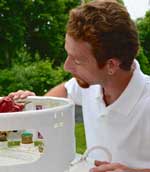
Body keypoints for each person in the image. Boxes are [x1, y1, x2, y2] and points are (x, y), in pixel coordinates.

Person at [9, 0, 150, 171]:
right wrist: (32, 108)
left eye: (77, 60)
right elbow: (60, 95)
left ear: (111, 65)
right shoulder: (89, 84)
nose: (66, 66)